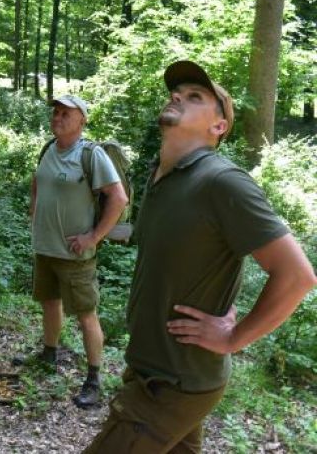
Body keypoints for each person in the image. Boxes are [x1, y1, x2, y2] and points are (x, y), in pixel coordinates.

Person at [84, 61, 317, 452]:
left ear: (219, 126)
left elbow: (297, 276)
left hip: (173, 382)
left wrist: (234, 338)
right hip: (150, 370)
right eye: (177, 93)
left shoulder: (221, 181)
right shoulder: (163, 177)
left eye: (196, 97)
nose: (178, 97)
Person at [27, 95, 128, 409]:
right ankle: (48, 353)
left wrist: (93, 237)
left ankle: (94, 379)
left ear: (82, 120)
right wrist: (34, 210)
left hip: (74, 254)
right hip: (46, 248)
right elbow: (37, 180)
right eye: (55, 112)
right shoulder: (49, 148)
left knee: (86, 315)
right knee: (49, 303)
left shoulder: (91, 155)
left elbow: (118, 198)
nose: (57, 118)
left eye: (65, 114)